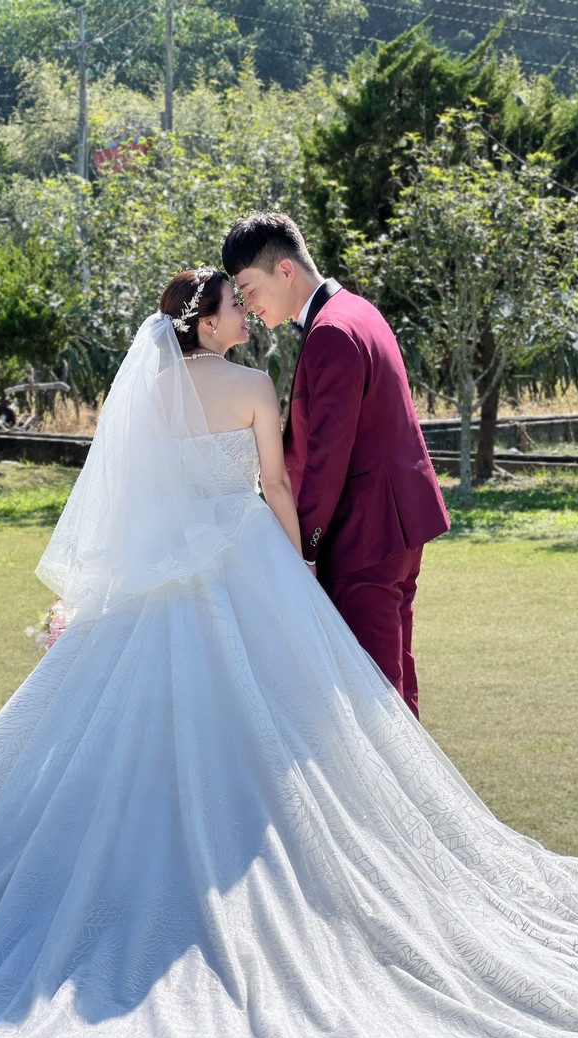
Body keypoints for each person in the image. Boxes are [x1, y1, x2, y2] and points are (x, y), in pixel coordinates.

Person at [0, 267, 578, 1038]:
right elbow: (274, 483)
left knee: (135, 716)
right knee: (275, 709)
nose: (245, 313)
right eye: (233, 306)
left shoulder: (147, 391)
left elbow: (134, 493)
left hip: (160, 563)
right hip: (243, 553)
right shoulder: (250, 386)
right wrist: (298, 567)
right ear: (206, 325)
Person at [222, 213, 450, 719]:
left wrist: (303, 549)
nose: (249, 306)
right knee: (395, 678)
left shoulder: (332, 332)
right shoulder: (358, 310)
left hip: (365, 535)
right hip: (395, 526)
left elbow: (327, 456)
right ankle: (411, 772)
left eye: (249, 289)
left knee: (373, 691)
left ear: (285, 270)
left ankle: (395, 775)